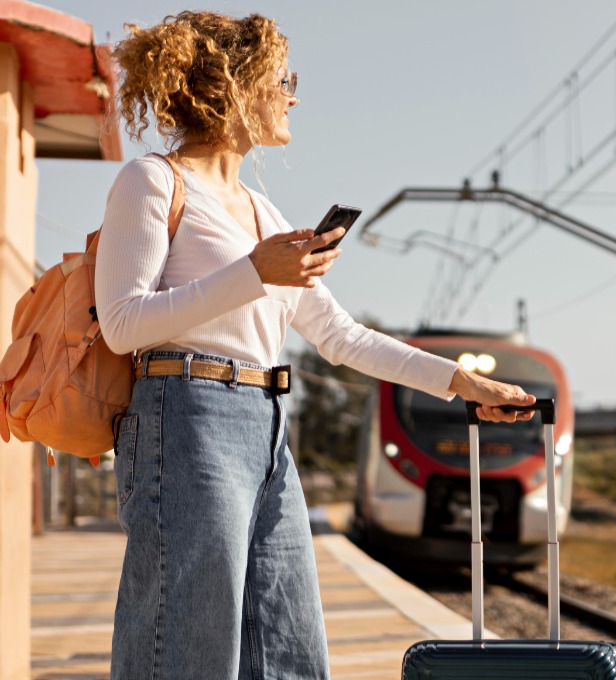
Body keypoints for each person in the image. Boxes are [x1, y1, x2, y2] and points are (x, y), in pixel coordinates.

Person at [97, 11, 534, 679]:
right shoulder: (153, 182)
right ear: (232, 85)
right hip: (184, 419)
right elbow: (123, 322)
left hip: (267, 426)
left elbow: (339, 335)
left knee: (291, 646)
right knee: (191, 645)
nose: (293, 94)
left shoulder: (261, 212)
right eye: (282, 79)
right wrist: (253, 273)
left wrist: (461, 381)